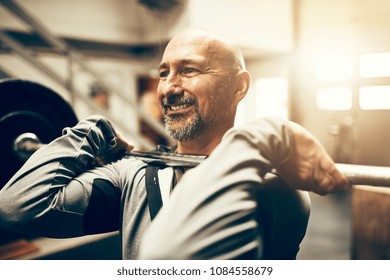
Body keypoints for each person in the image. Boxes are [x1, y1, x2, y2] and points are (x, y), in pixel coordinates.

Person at [0, 28, 350, 260]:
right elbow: (16, 207)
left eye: (190, 70)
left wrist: (259, 134)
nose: (168, 87)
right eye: (164, 72)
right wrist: (91, 133)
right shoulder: (133, 175)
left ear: (239, 88)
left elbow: (175, 260)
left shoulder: (273, 188)